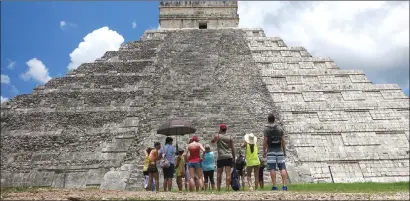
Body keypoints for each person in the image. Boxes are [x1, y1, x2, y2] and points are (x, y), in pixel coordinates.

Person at [263, 114, 288, 191]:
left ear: (268, 120)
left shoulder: (266, 130)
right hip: (279, 150)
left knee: (272, 168)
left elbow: (265, 141)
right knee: (282, 168)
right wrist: (284, 151)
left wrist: (264, 151)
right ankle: (284, 186)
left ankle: (275, 186)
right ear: (274, 119)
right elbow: (283, 141)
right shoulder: (280, 129)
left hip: (271, 150)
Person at [211, 124, 235, 192]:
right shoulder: (230, 137)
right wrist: (234, 157)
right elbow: (233, 148)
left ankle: (218, 189)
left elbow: (212, 141)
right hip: (228, 156)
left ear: (220, 129)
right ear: (226, 129)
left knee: (219, 174)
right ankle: (227, 188)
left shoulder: (218, 136)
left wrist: (218, 134)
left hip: (220, 157)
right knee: (228, 174)